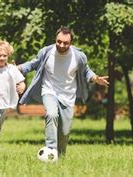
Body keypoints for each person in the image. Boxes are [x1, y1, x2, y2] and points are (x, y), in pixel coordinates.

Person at [18, 27, 109, 157]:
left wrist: (95, 78)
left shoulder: (79, 56)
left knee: (64, 133)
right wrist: (18, 68)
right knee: (51, 114)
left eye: (65, 43)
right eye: (59, 41)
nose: (61, 45)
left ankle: (61, 155)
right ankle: (50, 150)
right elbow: (33, 64)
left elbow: (86, 71)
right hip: (49, 91)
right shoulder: (46, 52)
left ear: (71, 43)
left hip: (68, 96)